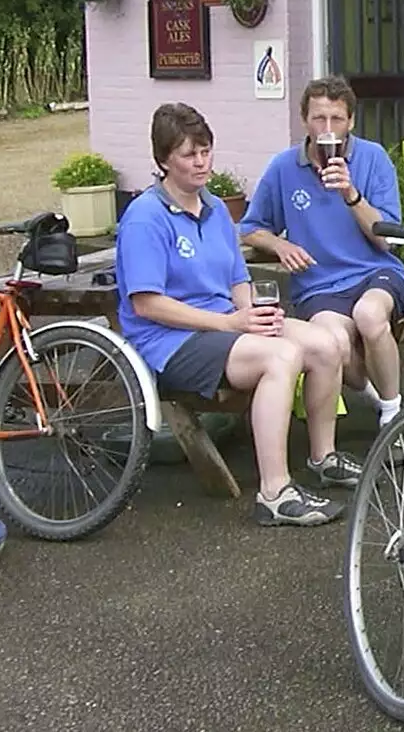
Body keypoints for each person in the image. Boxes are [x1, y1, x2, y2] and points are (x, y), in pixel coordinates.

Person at [116, 103, 358, 527]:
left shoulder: (213, 209)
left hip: (224, 327)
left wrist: (251, 314)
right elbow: (146, 304)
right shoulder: (145, 217)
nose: (201, 162)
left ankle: (323, 457)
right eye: (188, 154)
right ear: (162, 161)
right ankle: (274, 493)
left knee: (325, 343)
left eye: (206, 151)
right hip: (168, 344)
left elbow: (237, 280)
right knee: (280, 357)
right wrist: (230, 324)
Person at [240, 77, 404, 432]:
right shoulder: (284, 167)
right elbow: (251, 228)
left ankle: (394, 413)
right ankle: (379, 399)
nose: (327, 128)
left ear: (350, 122)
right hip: (320, 285)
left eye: (336, 119)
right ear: (305, 120)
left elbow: (387, 240)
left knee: (369, 316)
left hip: (374, 270)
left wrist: (350, 193)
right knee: (334, 345)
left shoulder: (374, 159)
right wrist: (280, 244)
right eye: (319, 119)